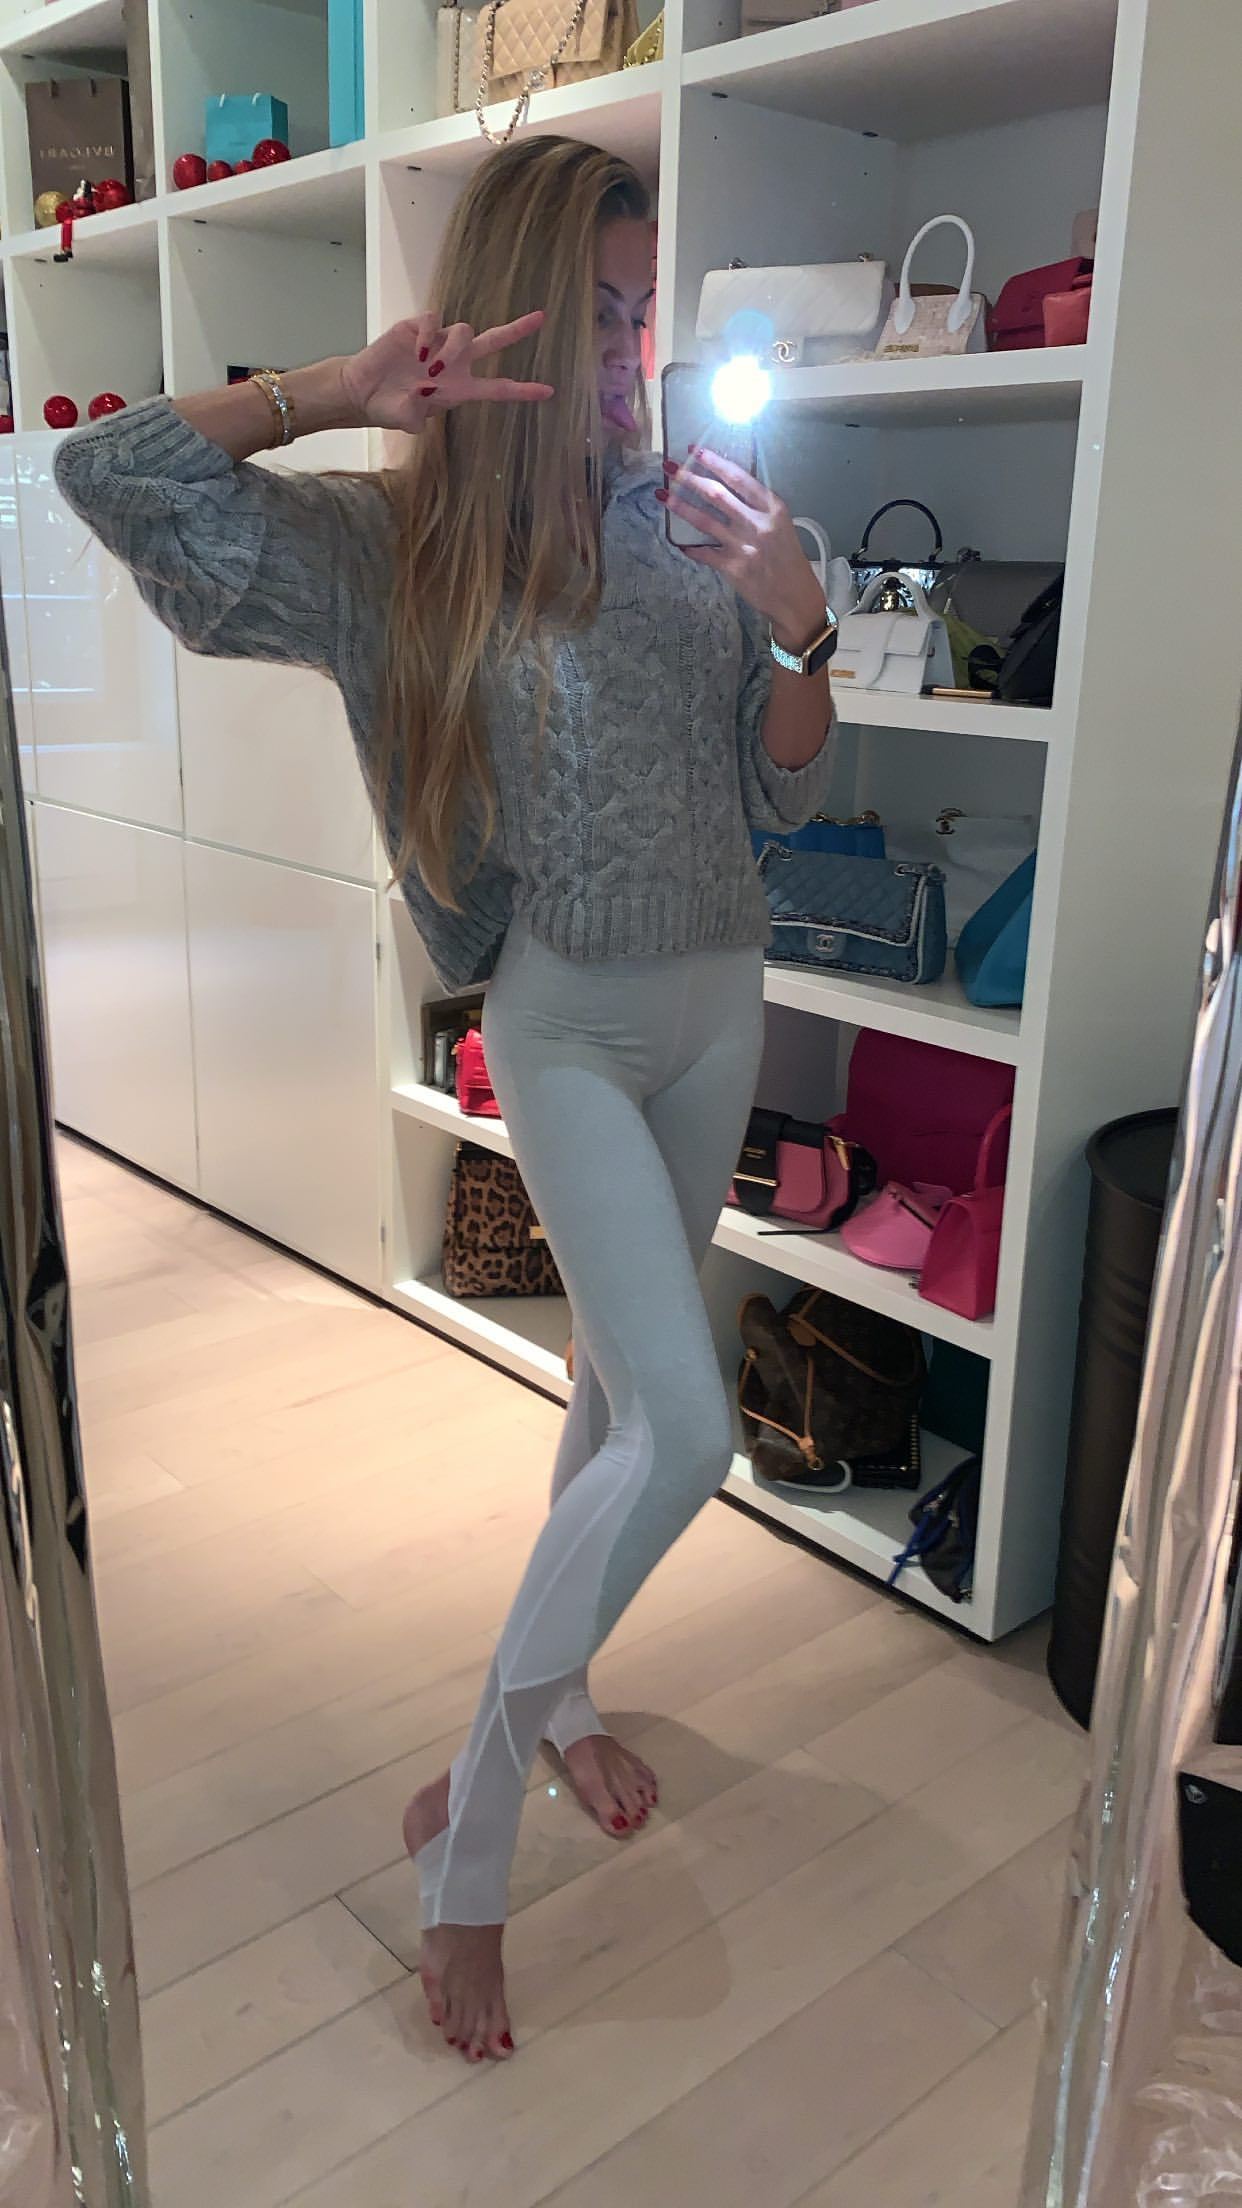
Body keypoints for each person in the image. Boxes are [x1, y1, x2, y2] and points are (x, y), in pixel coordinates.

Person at [55, 135, 836, 2064]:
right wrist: (339, 387)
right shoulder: (397, 549)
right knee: (689, 1430)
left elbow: (786, 781)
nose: (632, 357)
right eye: (597, 317)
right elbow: (110, 475)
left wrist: (799, 618)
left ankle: (559, 1704)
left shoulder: (700, 521)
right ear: (508, 322)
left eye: (646, 314)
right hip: (565, 1020)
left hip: (719, 997)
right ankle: (466, 1847)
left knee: (613, 1403)